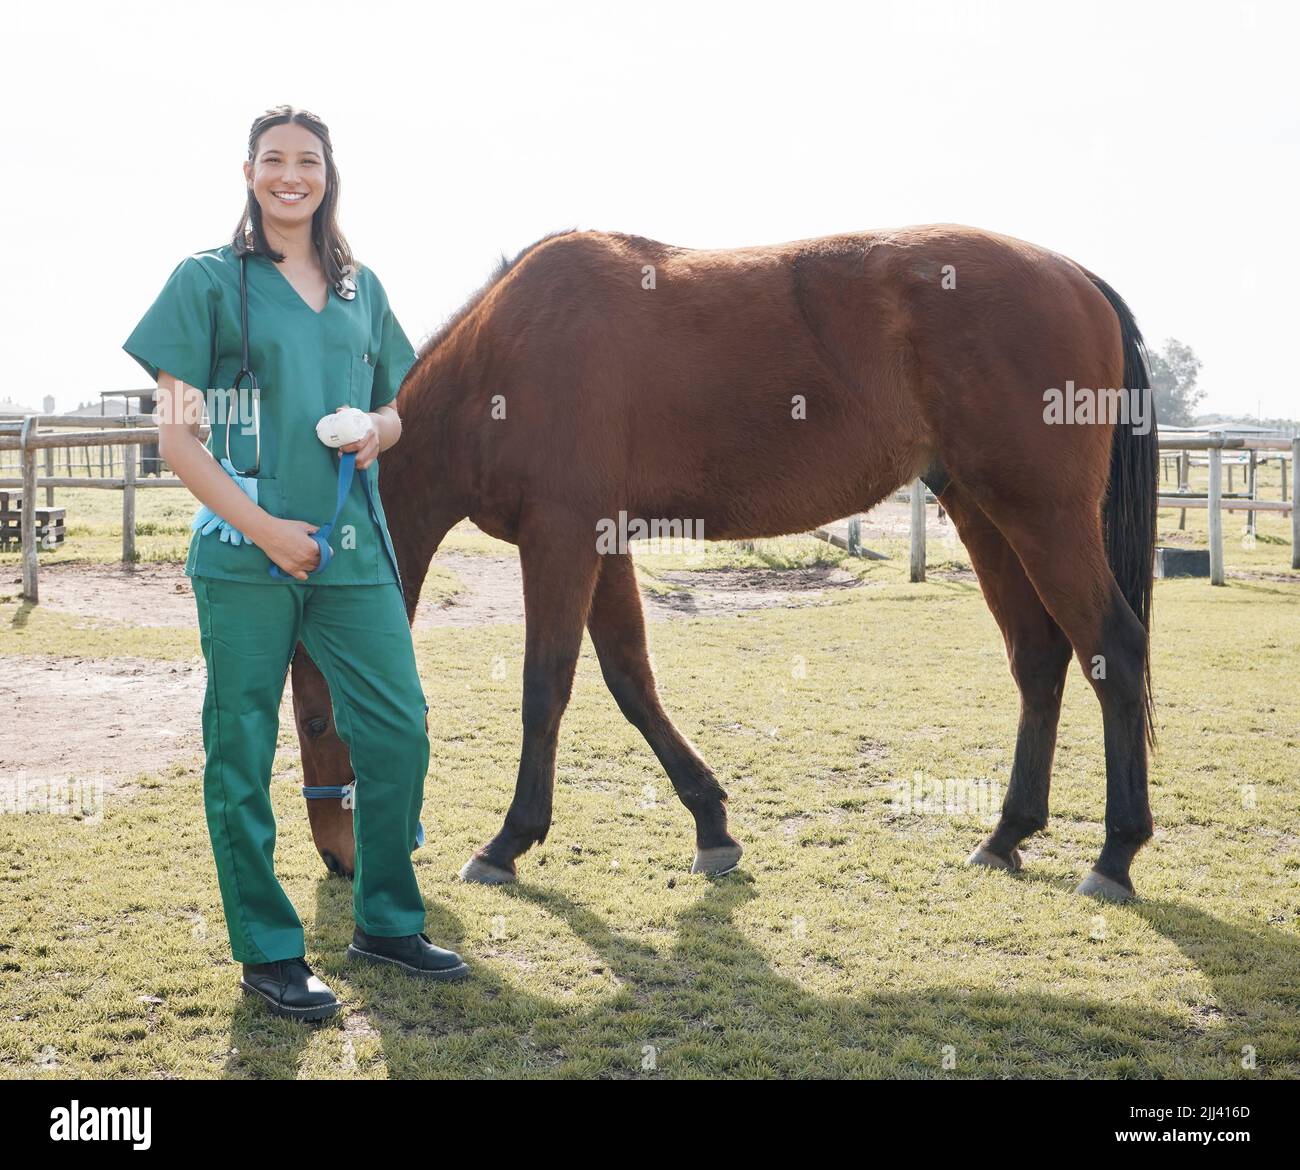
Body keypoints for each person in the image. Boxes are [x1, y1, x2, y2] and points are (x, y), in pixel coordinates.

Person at [122, 105, 468, 1021]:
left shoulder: (364, 290)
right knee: (241, 747)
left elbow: (395, 410)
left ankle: (386, 917)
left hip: (354, 554)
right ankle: (270, 950)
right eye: (273, 159)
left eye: (307, 160)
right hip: (246, 556)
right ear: (248, 173)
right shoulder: (207, 281)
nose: (291, 175)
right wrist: (265, 527)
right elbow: (178, 436)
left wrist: (374, 428)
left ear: (328, 174)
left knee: (398, 730)